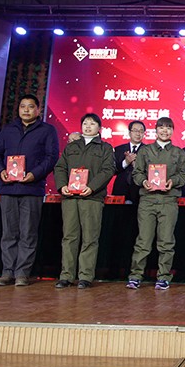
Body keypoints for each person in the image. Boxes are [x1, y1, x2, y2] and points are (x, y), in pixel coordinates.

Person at [0, 94, 59, 287]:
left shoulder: (47, 130)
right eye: (22, 106)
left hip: (32, 189)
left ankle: (22, 273)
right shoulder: (8, 130)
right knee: (9, 233)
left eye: (30, 106)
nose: (26, 110)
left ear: (38, 109)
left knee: (28, 233)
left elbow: (51, 157)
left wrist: (34, 174)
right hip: (8, 188)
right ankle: (7, 272)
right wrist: (0, 171)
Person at [126, 117, 185, 290]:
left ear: (173, 131)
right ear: (156, 130)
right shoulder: (145, 151)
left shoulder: (178, 152)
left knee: (166, 241)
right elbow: (137, 173)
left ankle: (163, 276)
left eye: (168, 128)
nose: (165, 131)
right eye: (161, 127)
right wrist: (143, 181)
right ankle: (135, 275)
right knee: (143, 241)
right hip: (147, 200)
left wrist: (173, 181)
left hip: (168, 201)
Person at [53, 113, 115, 289]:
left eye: (92, 124)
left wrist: (92, 187)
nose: (88, 126)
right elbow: (60, 167)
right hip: (70, 198)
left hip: (92, 198)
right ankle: (66, 275)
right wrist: (62, 186)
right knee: (69, 237)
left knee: (90, 238)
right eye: (85, 123)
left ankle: (85, 276)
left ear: (99, 128)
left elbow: (108, 170)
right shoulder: (72, 147)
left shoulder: (105, 148)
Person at [112, 121, 147, 205]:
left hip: (140, 192)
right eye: (135, 130)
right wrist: (126, 162)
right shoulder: (119, 149)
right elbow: (112, 170)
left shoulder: (148, 150)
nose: (138, 134)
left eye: (141, 131)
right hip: (121, 191)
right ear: (129, 132)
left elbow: (153, 171)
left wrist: (138, 166)